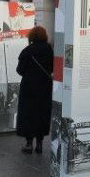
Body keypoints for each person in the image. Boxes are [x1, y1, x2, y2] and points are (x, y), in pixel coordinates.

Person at [15, 26, 54, 154]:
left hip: (29, 87)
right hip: (45, 87)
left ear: (31, 36)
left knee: (28, 114)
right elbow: (52, 68)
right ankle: (40, 144)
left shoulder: (27, 51)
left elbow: (20, 70)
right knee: (42, 114)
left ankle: (28, 144)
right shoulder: (49, 50)